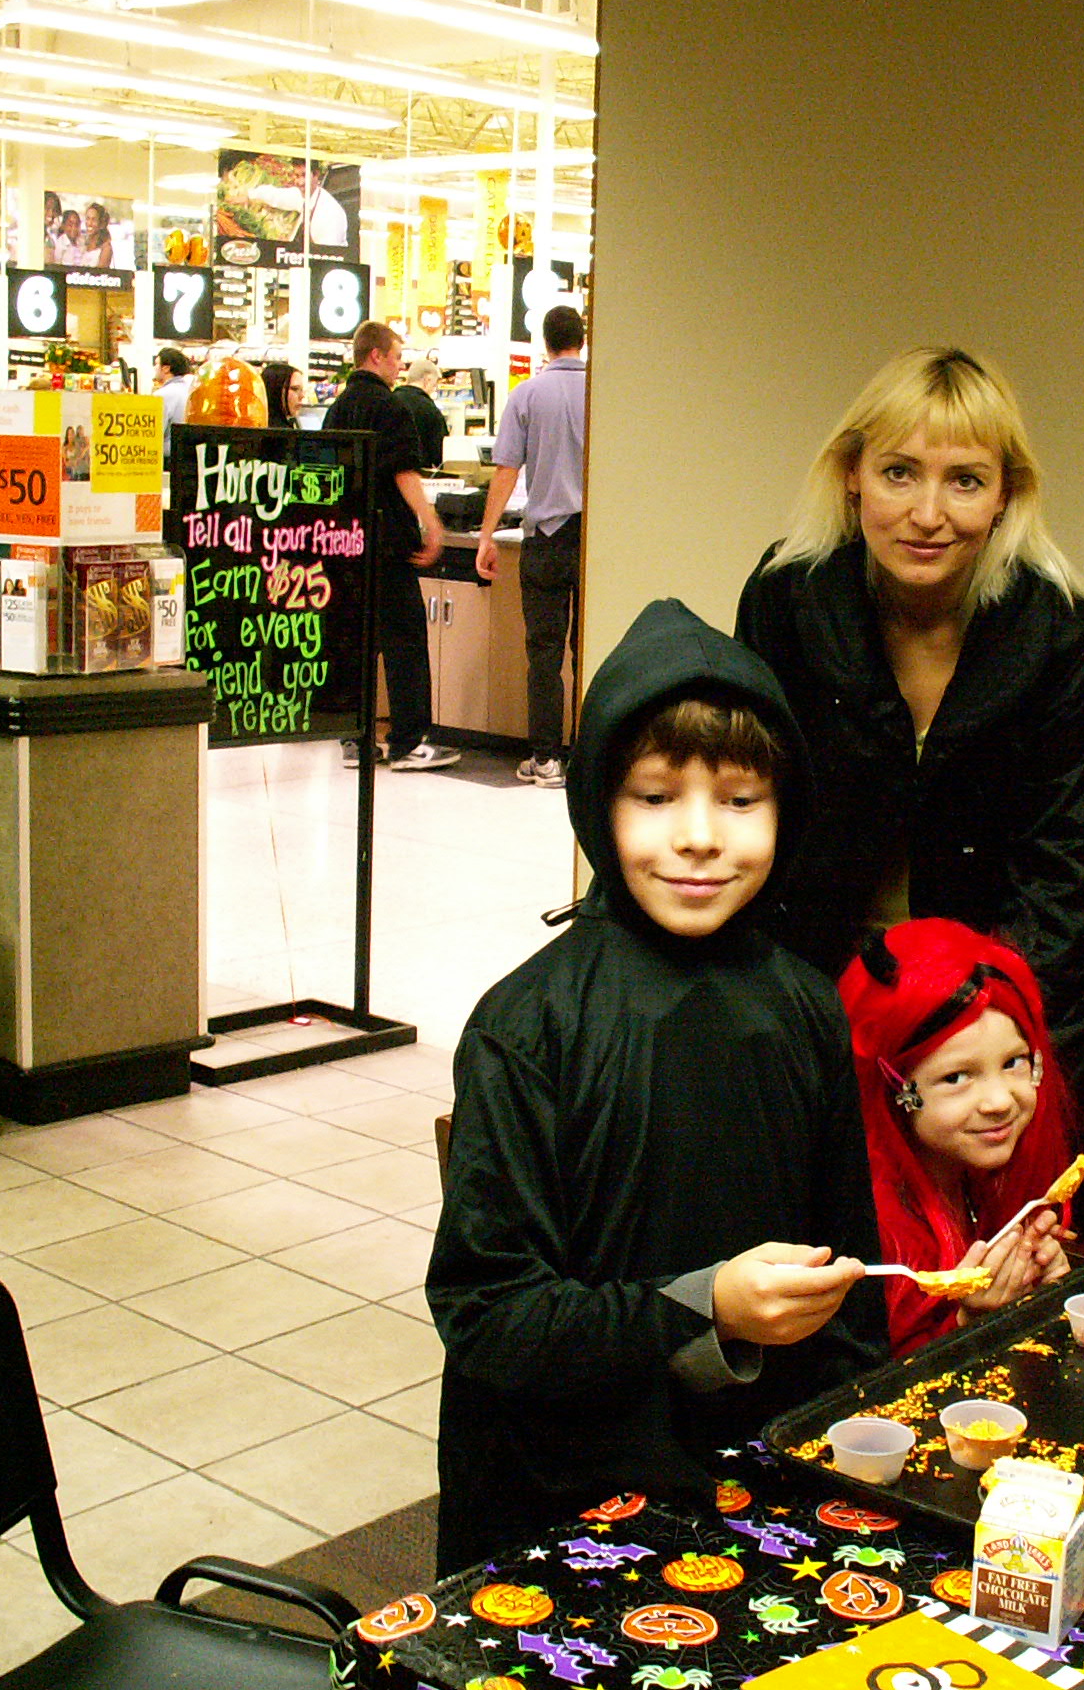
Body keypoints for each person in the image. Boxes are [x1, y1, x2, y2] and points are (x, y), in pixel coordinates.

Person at [428, 597, 884, 1570]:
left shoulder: (806, 1006)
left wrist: (851, 1456)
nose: (699, 836)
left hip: (768, 1490)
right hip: (561, 1507)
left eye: (740, 799)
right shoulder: (531, 1025)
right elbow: (489, 1314)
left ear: (786, 807)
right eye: (655, 796)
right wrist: (703, 1304)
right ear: (599, 802)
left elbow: (849, 1275)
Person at [735, 345, 1084, 1244]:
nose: (928, 514)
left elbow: (1074, 872)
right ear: (850, 476)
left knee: (1042, 1268)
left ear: (1005, 496)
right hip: (839, 997)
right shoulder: (786, 601)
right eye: (899, 473)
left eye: (964, 480)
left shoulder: (1059, 627)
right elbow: (754, 812)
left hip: (1026, 1004)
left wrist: (979, 1054)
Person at [837, 918, 1073, 1355]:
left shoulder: (986, 1177)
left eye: (1014, 1062)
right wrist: (970, 1325)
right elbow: (866, 1385)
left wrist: (1044, 1289)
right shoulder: (865, 1236)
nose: (999, 1101)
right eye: (956, 1077)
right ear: (892, 1087)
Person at [325, 321, 456, 772]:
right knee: (405, 643)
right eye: (397, 356)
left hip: (344, 544)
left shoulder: (337, 410)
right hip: (387, 543)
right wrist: (431, 522)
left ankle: (354, 739)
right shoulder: (391, 407)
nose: (400, 366)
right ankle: (408, 741)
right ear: (376, 355)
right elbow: (404, 472)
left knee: (354, 643)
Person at [475, 305, 586, 788]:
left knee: (544, 653)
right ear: (582, 339)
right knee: (591, 646)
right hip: (594, 539)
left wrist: (486, 536)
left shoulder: (527, 394)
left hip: (546, 539)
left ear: (545, 342)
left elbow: (506, 471)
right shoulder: (603, 392)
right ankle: (589, 755)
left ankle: (546, 758)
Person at [392, 358, 449, 475]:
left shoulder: (390, 400)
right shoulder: (430, 409)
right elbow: (441, 455)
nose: (434, 389)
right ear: (427, 380)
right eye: (434, 385)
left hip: (387, 476)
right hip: (417, 476)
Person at [153, 348, 197, 455]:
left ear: (166, 368)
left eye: (156, 364)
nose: (154, 368)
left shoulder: (161, 396)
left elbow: (154, 435)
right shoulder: (192, 392)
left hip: (167, 457)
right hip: (188, 455)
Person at [261, 360, 302, 429]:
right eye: (295, 389)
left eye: (302, 390)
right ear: (275, 390)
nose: (302, 396)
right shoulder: (280, 432)